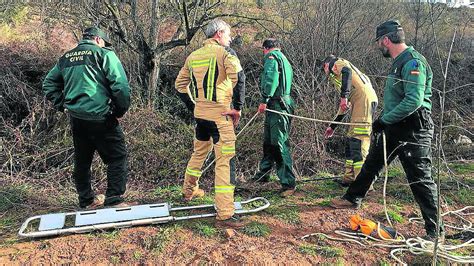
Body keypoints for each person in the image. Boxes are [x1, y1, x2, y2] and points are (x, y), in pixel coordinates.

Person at [330, 20, 444, 240]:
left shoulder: (412, 62)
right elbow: (398, 99)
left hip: (413, 128)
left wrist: (385, 119)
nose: (378, 47)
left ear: (385, 40)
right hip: (394, 125)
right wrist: (383, 120)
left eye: (378, 42)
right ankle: (352, 198)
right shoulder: (397, 62)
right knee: (372, 162)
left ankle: (435, 232)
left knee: (420, 178)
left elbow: (413, 101)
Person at [43, 27, 131, 209]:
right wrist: (119, 112)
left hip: (77, 118)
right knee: (117, 157)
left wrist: (63, 105)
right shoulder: (104, 54)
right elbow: (120, 86)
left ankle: (86, 200)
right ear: (98, 40)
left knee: (83, 160)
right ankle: (114, 200)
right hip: (101, 117)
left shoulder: (66, 58)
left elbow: (49, 83)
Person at [175, 19, 246, 228]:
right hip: (220, 116)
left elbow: (180, 85)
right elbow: (239, 77)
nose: (230, 38)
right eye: (228, 34)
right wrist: (238, 108)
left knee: (199, 153)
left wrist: (194, 106)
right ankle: (225, 214)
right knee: (225, 160)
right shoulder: (226, 54)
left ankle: (189, 191)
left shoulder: (193, 56)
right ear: (219, 33)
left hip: (201, 116)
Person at [322, 55, 378, 186]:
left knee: (359, 140)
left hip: (363, 102)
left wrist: (344, 96)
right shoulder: (346, 80)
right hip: (361, 101)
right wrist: (332, 126)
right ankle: (349, 178)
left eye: (324, 69)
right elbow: (344, 108)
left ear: (326, 65)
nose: (326, 73)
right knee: (351, 139)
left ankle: (362, 183)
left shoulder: (336, 63)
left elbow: (347, 71)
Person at [251, 38, 296, 197]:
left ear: (266, 48)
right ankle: (263, 174)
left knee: (279, 143)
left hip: (278, 105)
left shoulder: (271, 58)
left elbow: (270, 79)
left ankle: (288, 183)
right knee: (269, 141)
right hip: (279, 104)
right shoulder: (283, 58)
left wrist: (264, 99)